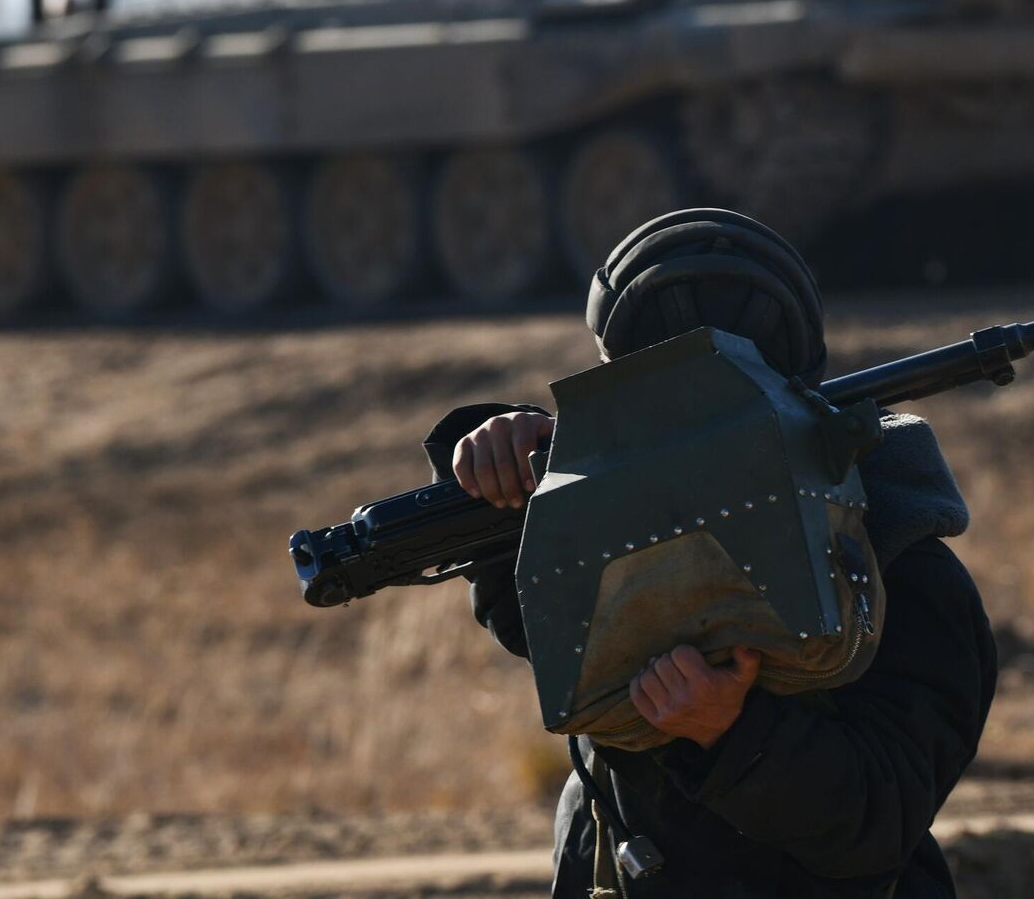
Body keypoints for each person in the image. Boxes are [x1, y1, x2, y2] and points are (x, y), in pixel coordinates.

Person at [420, 211, 998, 898]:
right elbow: (532, 624)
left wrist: (735, 734)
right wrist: (501, 464)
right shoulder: (607, 523)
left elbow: (880, 820)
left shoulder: (901, 563)